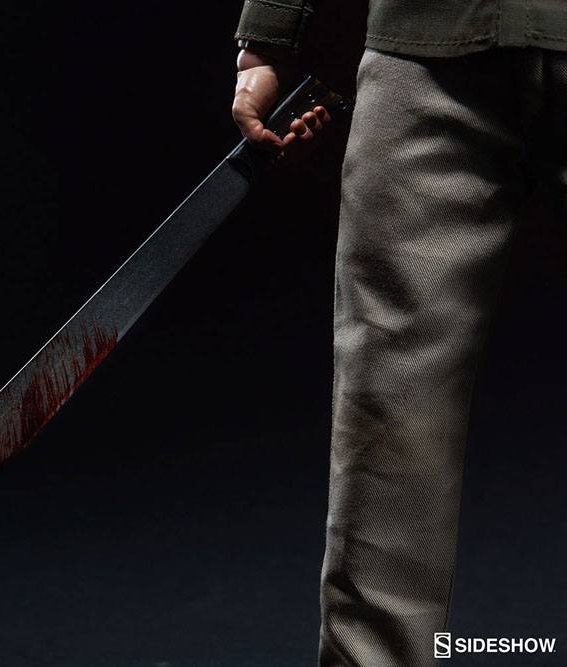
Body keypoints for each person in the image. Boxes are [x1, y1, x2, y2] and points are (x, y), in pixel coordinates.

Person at [230, 1, 567, 664]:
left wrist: (269, 34)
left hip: (426, 45)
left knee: (389, 404)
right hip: (428, 45)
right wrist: (269, 30)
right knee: (389, 414)